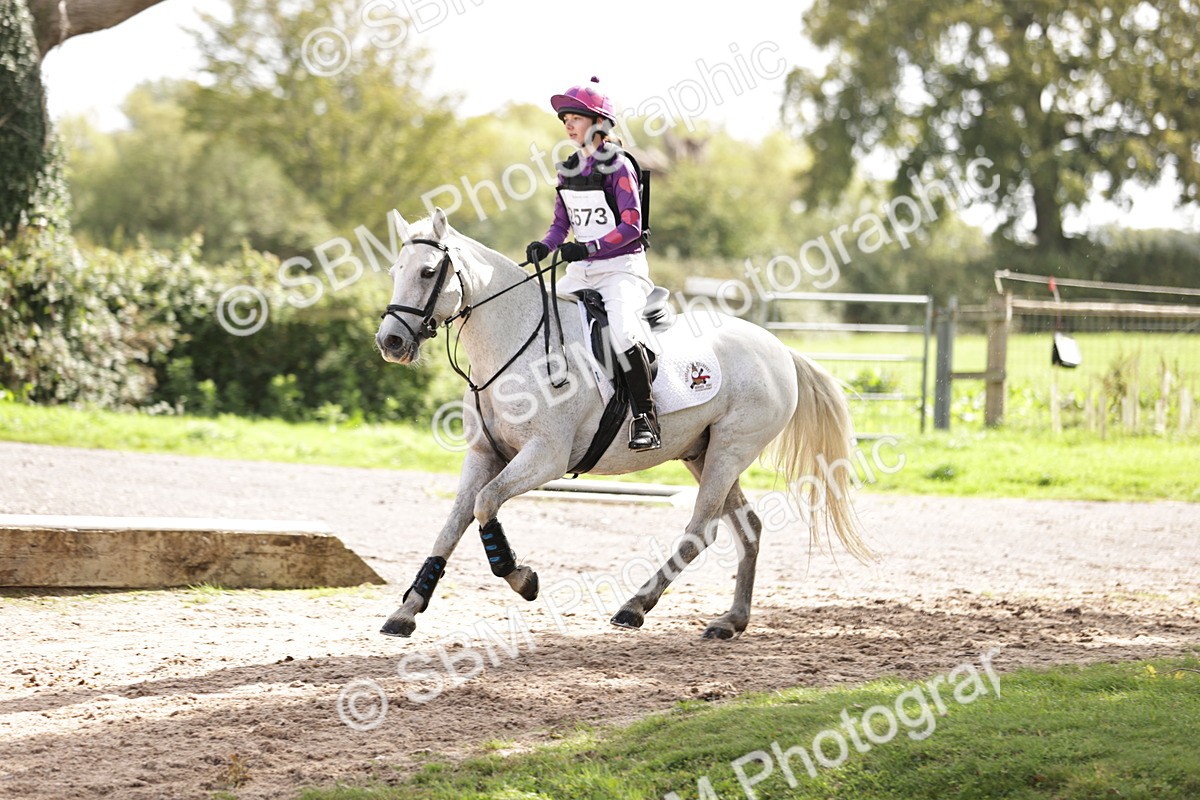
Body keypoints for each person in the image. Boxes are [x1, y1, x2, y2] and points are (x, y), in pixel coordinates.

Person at [526, 77, 660, 452]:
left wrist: (589, 248)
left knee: (621, 333)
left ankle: (645, 416)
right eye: (564, 118)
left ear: (597, 123)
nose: (567, 124)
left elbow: (632, 226)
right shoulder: (568, 168)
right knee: (540, 318)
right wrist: (546, 245)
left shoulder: (618, 166)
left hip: (621, 269)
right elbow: (560, 224)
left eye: (575, 117)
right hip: (582, 271)